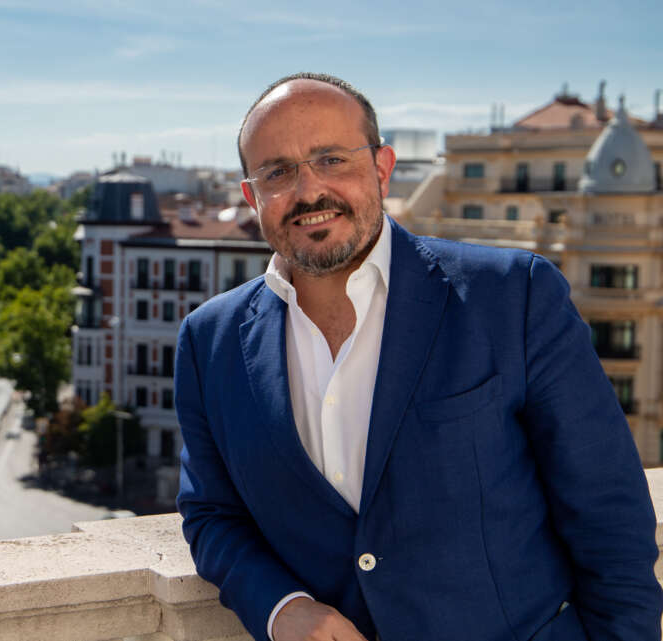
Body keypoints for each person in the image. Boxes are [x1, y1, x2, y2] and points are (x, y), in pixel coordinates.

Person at [175, 72, 662, 641]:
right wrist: (281, 608)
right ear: (252, 197)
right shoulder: (209, 340)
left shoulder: (512, 296)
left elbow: (610, 518)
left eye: (331, 159)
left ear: (382, 168)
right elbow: (211, 515)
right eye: (278, 172)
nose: (309, 191)